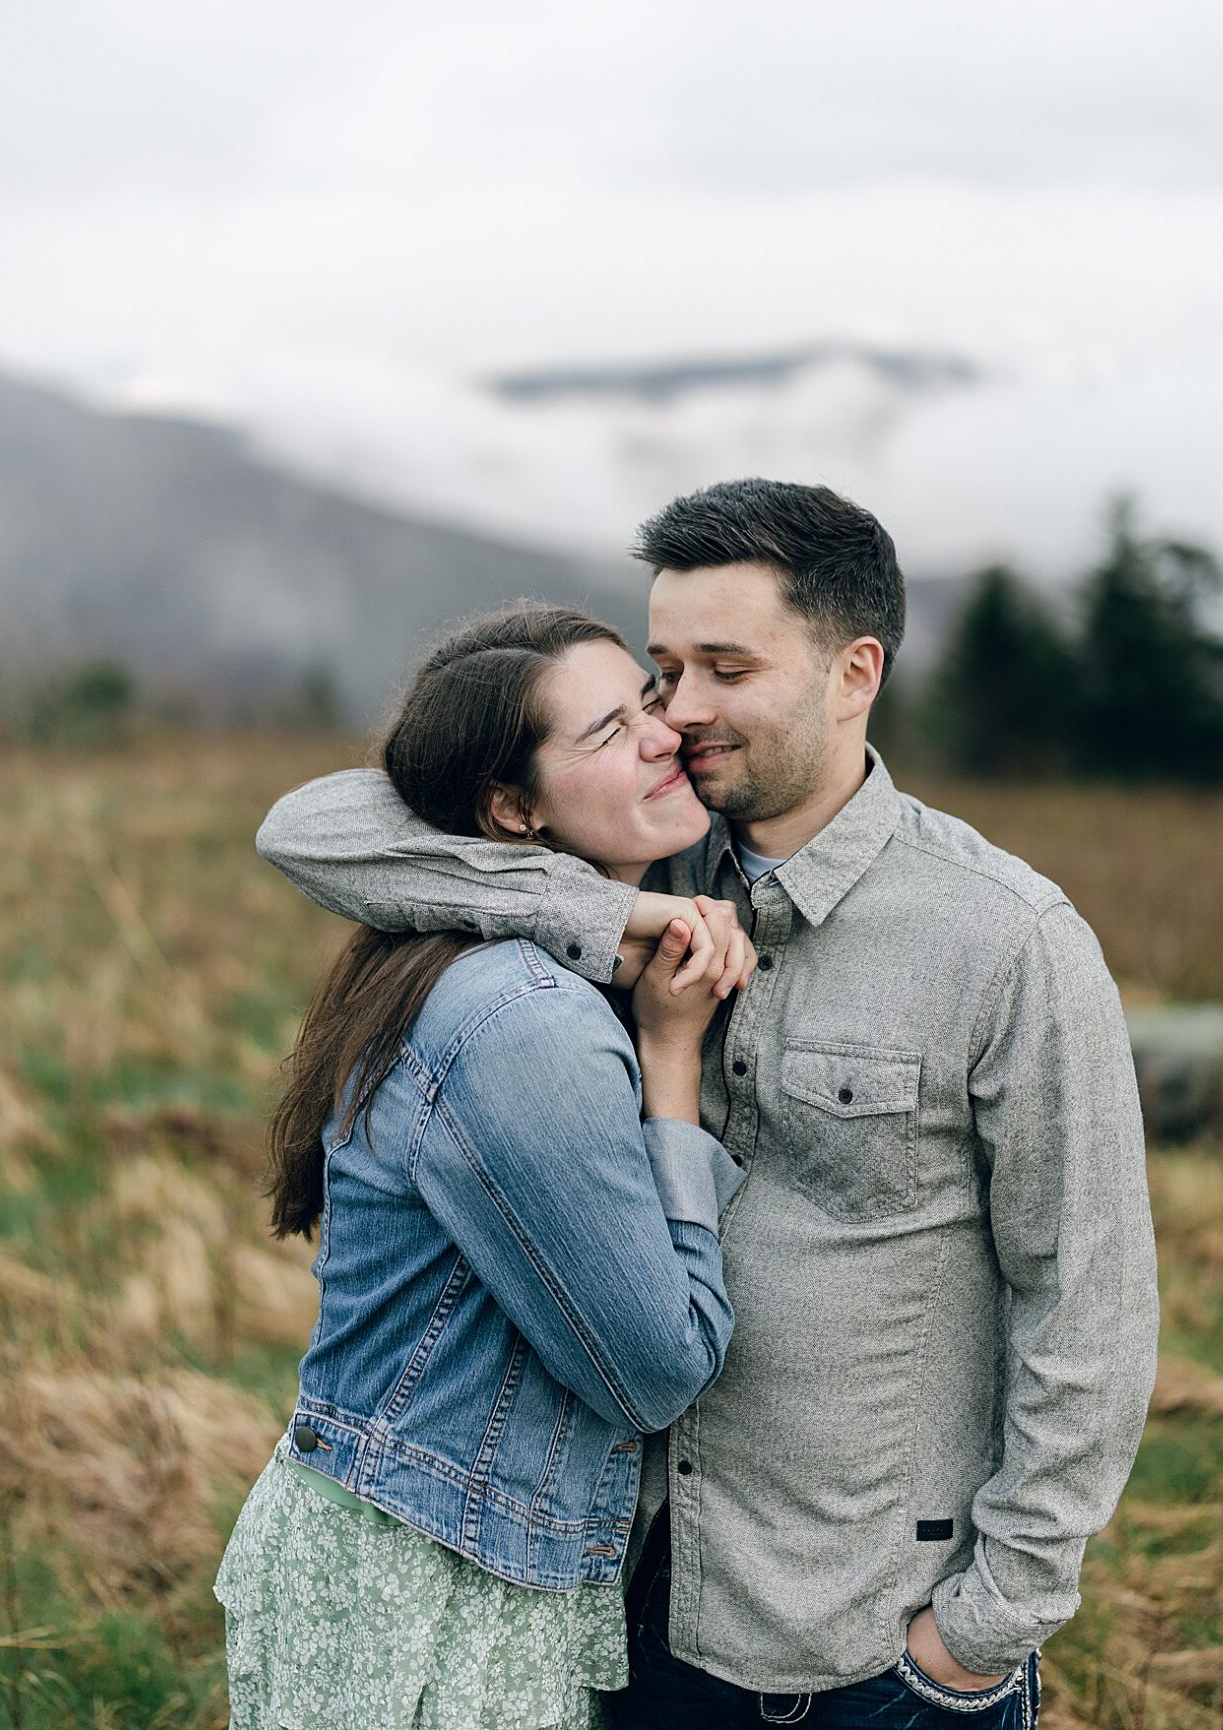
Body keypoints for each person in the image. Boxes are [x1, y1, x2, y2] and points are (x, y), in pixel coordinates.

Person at [259, 480, 1160, 1728]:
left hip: (863, 1648)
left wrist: (980, 1628)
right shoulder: (639, 842)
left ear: (854, 672)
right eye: (662, 665)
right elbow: (315, 828)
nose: (678, 710)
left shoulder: (1007, 943)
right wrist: (603, 909)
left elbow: (1092, 1307)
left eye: (723, 667)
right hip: (616, 1608)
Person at [216, 604, 753, 1729]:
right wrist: (667, 1049)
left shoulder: (486, 941)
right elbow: (655, 1368)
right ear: (509, 809)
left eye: (647, 702)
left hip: (397, 1553)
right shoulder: (522, 1015)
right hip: (432, 1595)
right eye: (607, 732)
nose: (663, 734)